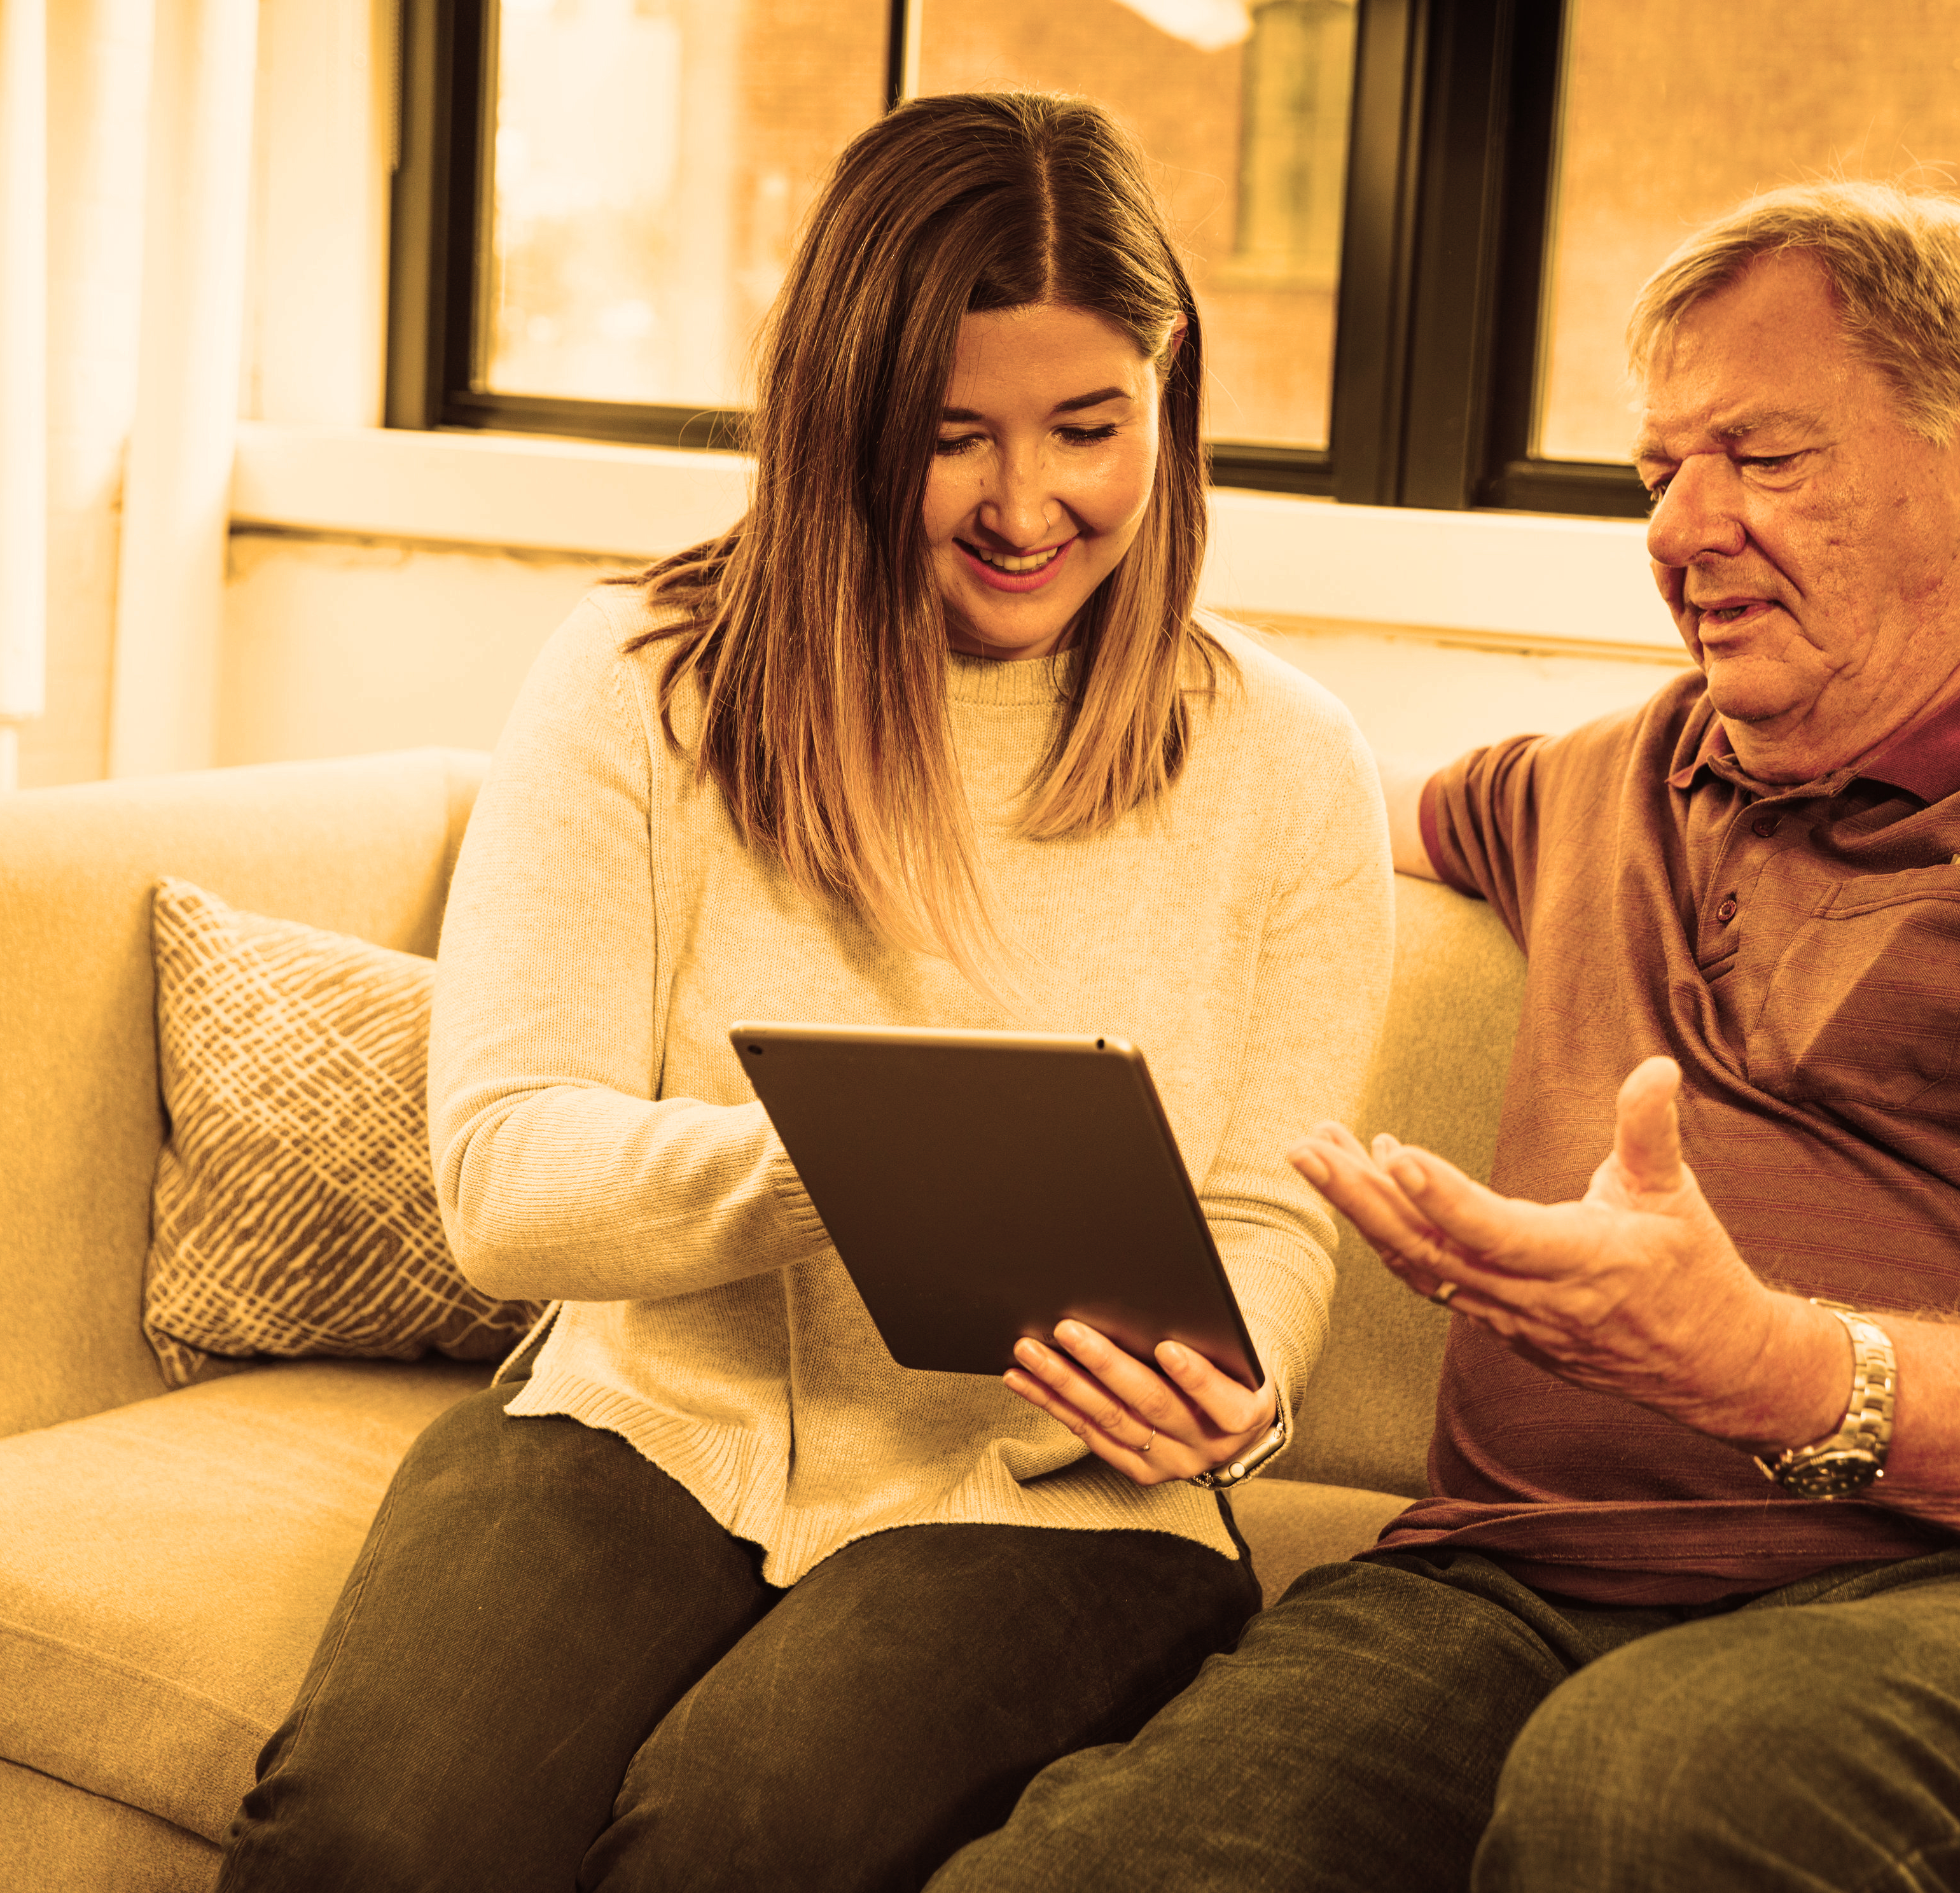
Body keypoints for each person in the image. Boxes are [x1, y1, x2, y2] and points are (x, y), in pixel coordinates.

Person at [928, 179, 1960, 1892]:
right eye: (1659, 472)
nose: (1679, 528)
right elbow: (1270, 797)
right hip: (1500, 1585)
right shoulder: (1609, 779)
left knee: (1651, 1777)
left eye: (1762, 458)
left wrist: (1767, 1365)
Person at [212, 94, 1390, 1893]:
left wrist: (1245, 1384)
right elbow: (505, 1178)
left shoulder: (1287, 766)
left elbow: (1266, 1225)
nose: (1027, 505)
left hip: (1057, 1497)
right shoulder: (640, 683)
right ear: (841, 429)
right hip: (640, 1423)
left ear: (1171, 396)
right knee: (380, 1840)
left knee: (744, 1838)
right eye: (949, 439)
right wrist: (847, 1161)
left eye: (1091, 425)